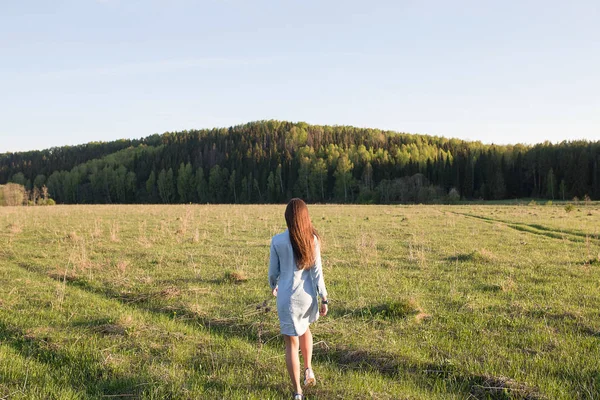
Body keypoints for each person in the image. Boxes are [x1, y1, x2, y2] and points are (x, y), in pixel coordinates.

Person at [269, 198, 328, 400]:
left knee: (290, 343)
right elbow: (317, 272)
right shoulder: (312, 239)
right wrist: (324, 298)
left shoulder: (277, 241)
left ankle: (297, 393)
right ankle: (308, 369)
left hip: (287, 298)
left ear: (287, 217)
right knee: (305, 329)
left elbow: (272, 274)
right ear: (305, 217)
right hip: (308, 297)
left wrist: (274, 286)